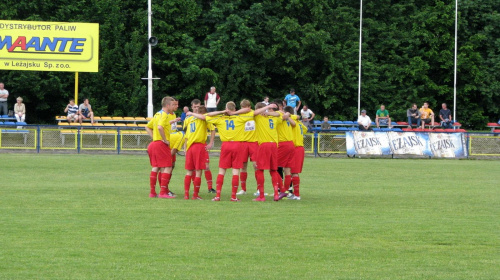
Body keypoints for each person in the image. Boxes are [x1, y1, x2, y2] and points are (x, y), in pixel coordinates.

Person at [189, 101, 251, 201]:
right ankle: (233, 196)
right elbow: (248, 110)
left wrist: (222, 112)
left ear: (226, 109)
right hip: (237, 144)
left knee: (222, 171)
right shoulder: (240, 117)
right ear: (234, 109)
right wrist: (234, 113)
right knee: (235, 171)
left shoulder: (220, 118)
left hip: (225, 145)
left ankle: (218, 195)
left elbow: (207, 115)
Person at [252, 102, 287, 202]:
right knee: (273, 170)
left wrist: (266, 108)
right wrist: (269, 111)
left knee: (259, 170)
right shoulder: (274, 118)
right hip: (274, 145)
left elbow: (254, 113)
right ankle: (276, 194)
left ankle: (261, 196)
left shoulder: (259, 116)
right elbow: (281, 114)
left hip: (264, 145)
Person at [145, 96, 177, 198]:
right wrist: (165, 140)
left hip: (154, 144)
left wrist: (155, 137)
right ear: (167, 105)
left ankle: (152, 192)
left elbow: (147, 127)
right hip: (161, 144)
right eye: (173, 104)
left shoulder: (157, 114)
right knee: (167, 167)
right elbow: (160, 127)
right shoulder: (164, 114)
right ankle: (163, 192)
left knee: (156, 167)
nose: (174, 106)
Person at [183, 99, 216, 194]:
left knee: (205, 167)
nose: (197, 108)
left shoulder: (203, 117)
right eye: (195, 107)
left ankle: (209, 187)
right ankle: (195, 191)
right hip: (192, 146)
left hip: (200, 145)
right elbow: (186, 135)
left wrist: (210, 143)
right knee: (194, 169)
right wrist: (185, 148)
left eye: (198, 106)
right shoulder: (188, 119)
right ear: (192, 107)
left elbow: (212, 129)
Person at [276, 106, 297, 201]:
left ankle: (282, 191)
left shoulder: (281, 115)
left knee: (275, 168)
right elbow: (295, 122)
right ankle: (287, 192)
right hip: (291, 144)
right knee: (287, 169)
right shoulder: (290, 117)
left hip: (283, 143)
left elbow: (284, 117)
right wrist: (288, 115)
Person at [288, 114, 306, 200]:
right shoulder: (299, 123)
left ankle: (297, 195)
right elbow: (305, 130)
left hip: (296, 148)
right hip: (300, 148)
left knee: (294, 171)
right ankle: (294, 193)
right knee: (292, 171)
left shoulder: (292, 122)